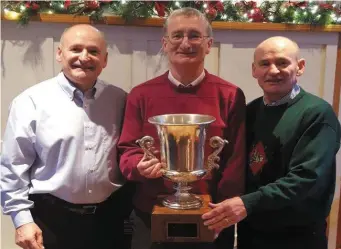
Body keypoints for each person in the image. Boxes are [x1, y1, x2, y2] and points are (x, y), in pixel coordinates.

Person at [117, 7, 246, 249]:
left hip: (212, 216)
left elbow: (235, 161)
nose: (185, 43)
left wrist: (224, 210)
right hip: (150, 213)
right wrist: (139, 166)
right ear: (164, 44)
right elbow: (127, 150)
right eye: (177, 36)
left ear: (208, 44)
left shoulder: (229, 95)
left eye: (194, 36)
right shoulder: (141, 94)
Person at [1, 24, 134, 249]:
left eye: (93, 51)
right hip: (52, 220)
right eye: (76, 49)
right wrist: (22, 220)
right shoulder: (31, 101)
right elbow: (13, 166)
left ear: (105, 60)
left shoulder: (120, 99)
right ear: (59, 54)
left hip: (111, 219)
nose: (84, 57)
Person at [202, 36, 341, 249]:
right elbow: (239, 167)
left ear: (300, 67)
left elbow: (306, 178)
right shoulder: (251, 111)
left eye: (282, 62)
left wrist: (246, 203)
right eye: (265, 63)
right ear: (254, 70)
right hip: (251, 233)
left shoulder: (317, 114)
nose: (273, 71)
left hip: (297, 238)